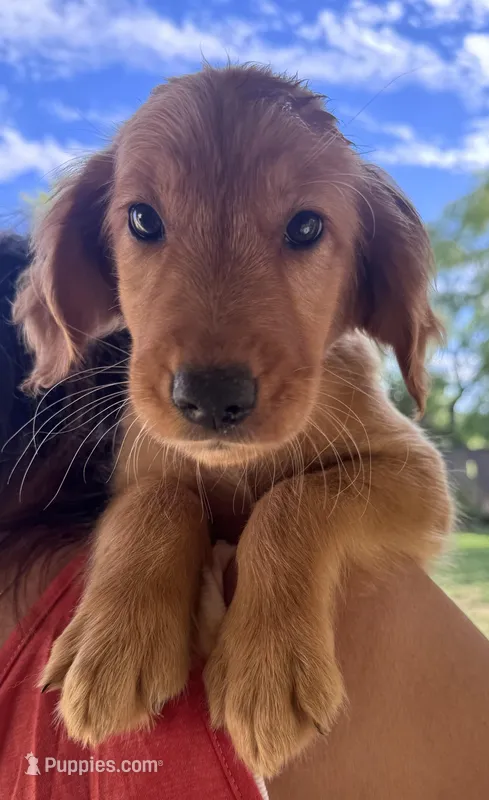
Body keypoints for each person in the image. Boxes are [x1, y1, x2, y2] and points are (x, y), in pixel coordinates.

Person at [1, 233, 488, 799]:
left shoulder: (340, 384)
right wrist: (150, 530)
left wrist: (297, 531)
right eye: (145, 224)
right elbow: (150, 489)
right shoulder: (139, 433)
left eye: (302, 231)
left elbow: (414, 482)